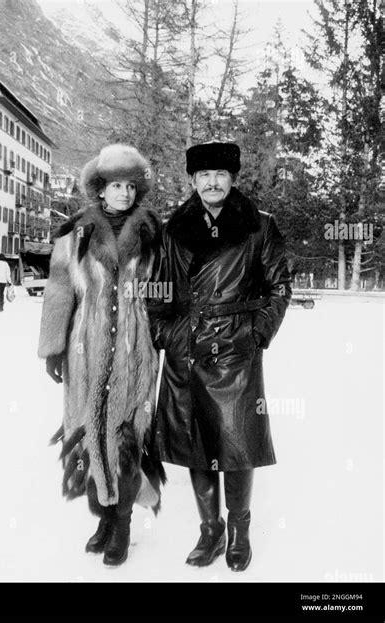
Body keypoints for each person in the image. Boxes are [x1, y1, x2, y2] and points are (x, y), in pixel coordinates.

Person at [148, 141, 291, 572]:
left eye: (221, 175)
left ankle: (239, 529)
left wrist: (256, 333)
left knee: (237, 443)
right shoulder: (174, 228)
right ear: (192, 180)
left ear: (233, 179)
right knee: (196, 443)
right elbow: (158, 289)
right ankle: (210, 530)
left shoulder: (259, 226)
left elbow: (279, 288)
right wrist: (167, 334)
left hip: (235, 349)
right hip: (187, 349)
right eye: (204, 175)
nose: (212, 182)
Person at [38, 144, 165, 567]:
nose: (124, 194)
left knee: (126, 438)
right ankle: (104, 517)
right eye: (116, 186)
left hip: (135, 354)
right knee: (90, 436)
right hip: (85, 351)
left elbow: (168, 293)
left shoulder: (152, 234)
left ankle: (123, 522)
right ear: (101, 189)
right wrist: (54, 347)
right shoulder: (76, 233)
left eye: (131, 186)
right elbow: (59, 289)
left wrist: (159, 331)